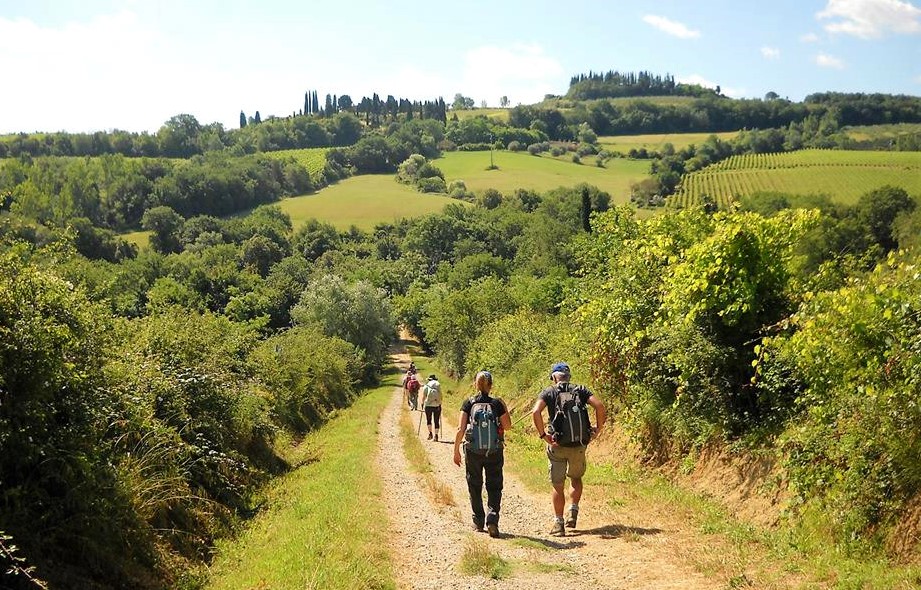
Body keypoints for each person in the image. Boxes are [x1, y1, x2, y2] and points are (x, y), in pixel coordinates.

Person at [531, 362, 606, 537]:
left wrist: (543, 435)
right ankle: (573, 511)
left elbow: (536, 412)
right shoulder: (580, 390)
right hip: (578, 444)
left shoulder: (549, 392)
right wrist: (598, 429)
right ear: (568, 376)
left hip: (558, 445)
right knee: (576, 478)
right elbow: (600, 406)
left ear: (554, 377)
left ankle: (559, 523)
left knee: (558, 485)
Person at [453, 370, 512, 538]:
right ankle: (492, 520)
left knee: (474, 484)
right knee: (494, 486)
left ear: (475, 384)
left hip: (473, 451)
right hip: (494, 451)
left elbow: (461, 429)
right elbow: (507, 426)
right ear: (491, 385)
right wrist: (504, 407)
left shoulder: (468, 403)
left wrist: (456, 450)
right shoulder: (497, 404)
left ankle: (478, 521)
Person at [420, 374, 443, 441]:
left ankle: (430, 434)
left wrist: (422, 403)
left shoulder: (426, 385)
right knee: (436, 421)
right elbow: (441, 395)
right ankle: (436, 435)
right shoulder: (438, 385)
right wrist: (440, 403)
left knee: (429, 420)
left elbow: (424, 396)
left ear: (429, 379)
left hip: (428, 405)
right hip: (437, 405)